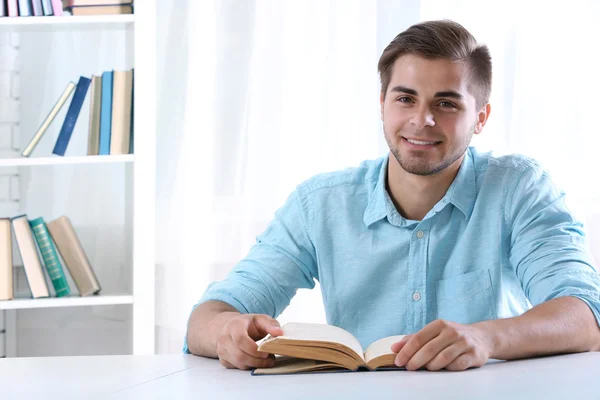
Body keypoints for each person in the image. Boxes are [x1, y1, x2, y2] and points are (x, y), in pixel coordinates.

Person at [184, 19, 600, 372]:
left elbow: (585, 316)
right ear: (383, 104)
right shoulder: (320, 204)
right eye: (406, 99)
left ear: (481, 117)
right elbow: (209, 315)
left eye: (447, 103)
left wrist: (485, 338)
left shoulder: (519, 189)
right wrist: (228, 333)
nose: (423, 120)